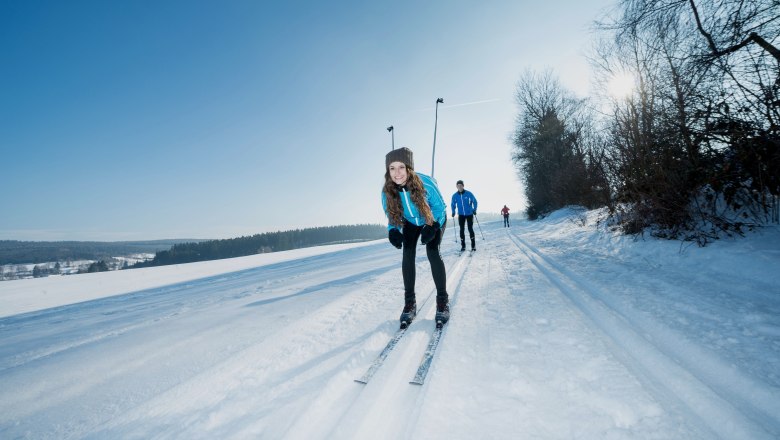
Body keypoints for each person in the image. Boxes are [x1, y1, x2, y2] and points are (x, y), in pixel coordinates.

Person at [381, 147, 450, 328]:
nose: (397, 173)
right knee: (408, 252)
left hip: (432, 217)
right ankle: (409, 303)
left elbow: (440, 207)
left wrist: (433, 225)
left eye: (401, 167)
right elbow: (392, 214)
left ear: (409, 168)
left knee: (432, 251)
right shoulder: (387, 191)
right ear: (388, 171)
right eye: (392, 168)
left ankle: (442, 301)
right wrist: (393, 230)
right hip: (410, 222)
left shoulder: (425, 182)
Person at [451, 180, 478, 252]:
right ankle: (463, 246)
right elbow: (453, 204)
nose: (459, 187)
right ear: (456, 186)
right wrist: (453, 211)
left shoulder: (468, 193)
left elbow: (474, 201)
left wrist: (474, 209)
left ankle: (473, 245)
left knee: (470, 229)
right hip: (461, 215)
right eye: (458, 186)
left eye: (460, 185)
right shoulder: (455, 196)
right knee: (461, 230)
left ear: (463, 186)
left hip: (469, 214)